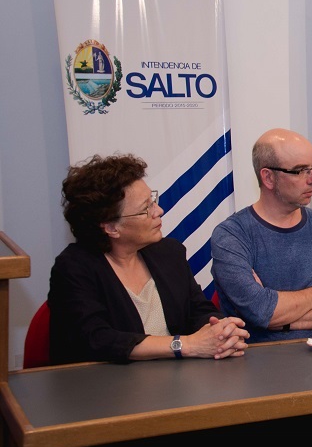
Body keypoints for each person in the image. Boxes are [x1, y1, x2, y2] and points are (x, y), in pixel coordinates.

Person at [49, 154, 249, 364]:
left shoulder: (169, 253)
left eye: (153, 200)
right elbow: (98, 340)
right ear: (111, 227)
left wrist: (219, 330)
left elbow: (198, 310)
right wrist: (186, 345)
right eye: (146, 208)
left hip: (175, 383)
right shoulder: (73, 268)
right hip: (102, 388)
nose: (159, 211)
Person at [211, 128, 312, 342]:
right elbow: (260, 310)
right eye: (300, 170)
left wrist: (279, 321)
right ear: (268, 177)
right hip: (257, 365)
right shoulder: (231, 235)